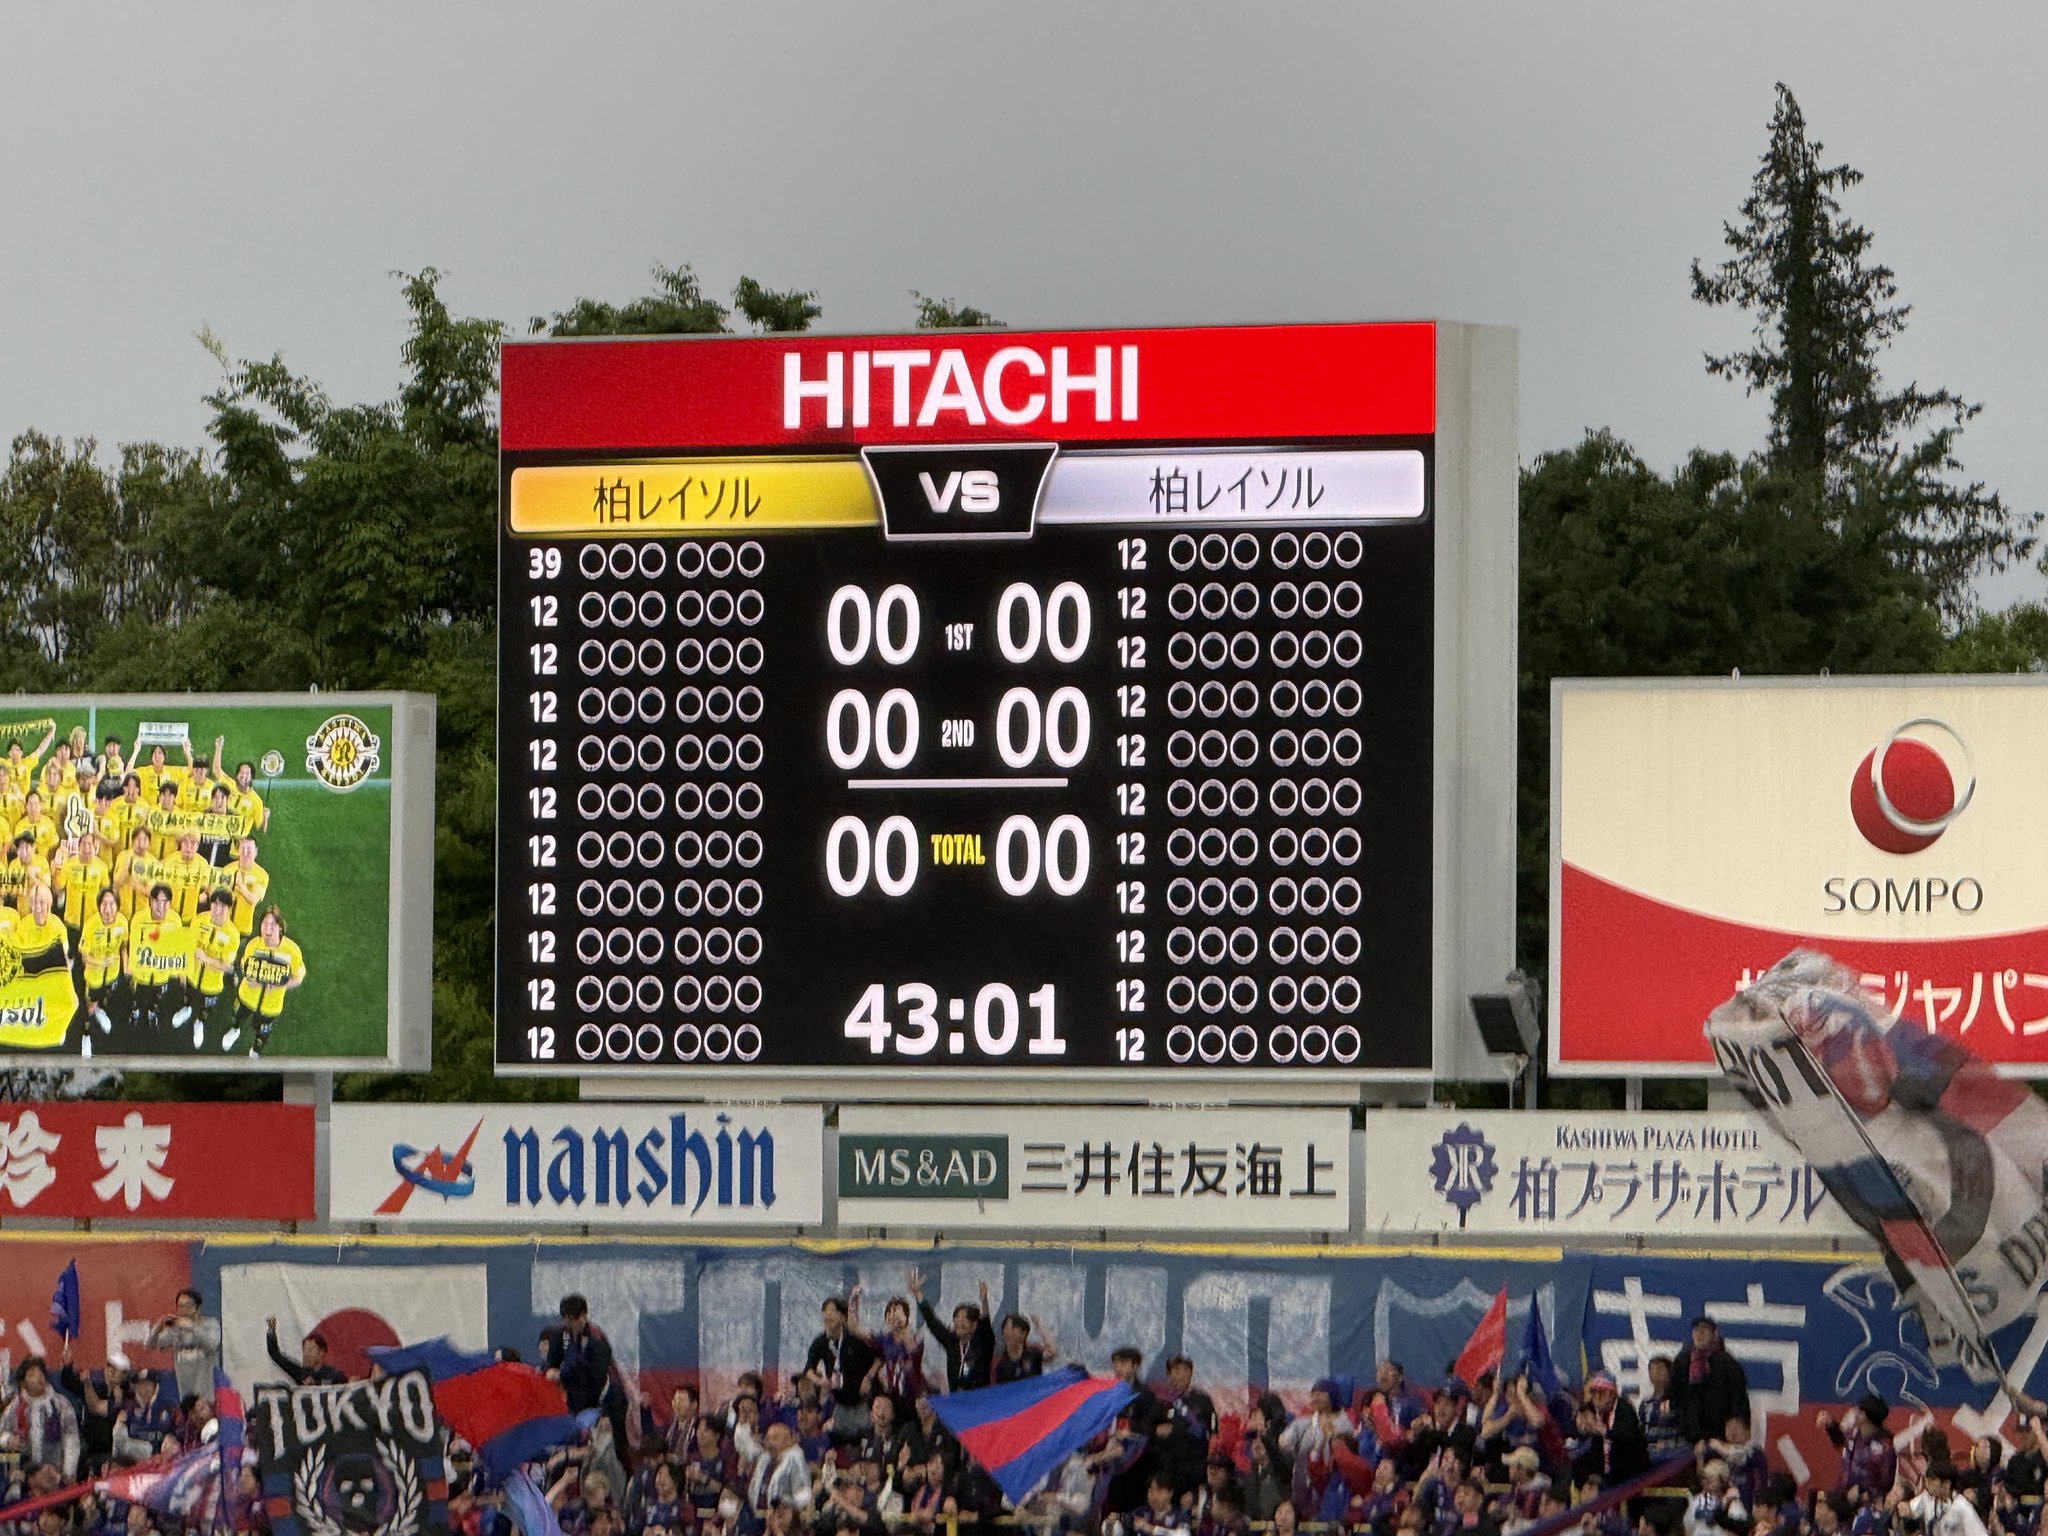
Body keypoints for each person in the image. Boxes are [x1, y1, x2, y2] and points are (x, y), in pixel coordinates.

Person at [544, 1295, 631, 1462]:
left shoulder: (597, 1339)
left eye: (573, 1319)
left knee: (614, 1449)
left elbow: (594, 1375)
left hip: (603, 1400)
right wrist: (550, 1372)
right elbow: (551, 1364)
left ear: (583, 1316)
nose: (570, 1323)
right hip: (574, 1402)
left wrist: (563, 1374)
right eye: (566, 1319)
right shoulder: (560, 1335)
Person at [225, 903, 306, 1055]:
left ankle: (256, 1049)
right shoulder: (253, 945)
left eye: (273, 924)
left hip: (271, 1006)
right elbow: (244, 965)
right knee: (237, 1017)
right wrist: (249, 977)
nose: (268, 928)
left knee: (262, 1032)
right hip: (246, 996)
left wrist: (282, 986)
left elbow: (299, 976)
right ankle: (235, 1030)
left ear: (280, 927)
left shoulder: (292, 951)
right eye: (265, 923)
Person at [905, 1268, 991, 1395]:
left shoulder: (981, 1344)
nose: (959, 1322)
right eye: (956, 1318)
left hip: (979, 1401)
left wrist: (984, 1301)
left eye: (964, 1319)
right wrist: (918, 1295)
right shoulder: (952, 1342)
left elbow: (985, 1326)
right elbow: (933, 1323)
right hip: (955, 1400)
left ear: (974, 1325)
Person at [1671, 1319, 1750, 1449]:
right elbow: (1675, 1389)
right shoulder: (1683, 1360)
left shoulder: (1726, 1361)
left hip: (1720, 1427)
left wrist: (1736, 1418)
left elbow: (1738, 1393)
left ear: (1713, 1335)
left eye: (1704, 1330)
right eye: (1696, 1330)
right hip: (1690, 1429)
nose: (1699, 1334)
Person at [805, 1298, 877, 1439]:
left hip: (861, 1401)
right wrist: (819, 1381)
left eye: (832, 1311)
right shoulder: (821, 1342)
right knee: (838, 1439)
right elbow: (808, 1369)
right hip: (840, 1402)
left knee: (863, 1437)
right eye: (825, 1312)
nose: (828, 1316)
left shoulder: (855, 1340)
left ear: (843, 1317)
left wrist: (868, 1377)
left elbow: (877, 1359)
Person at [0, 1357, 82, 1478]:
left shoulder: (60, 1404)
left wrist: (68, 1471)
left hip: (54, 1473)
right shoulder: (16, 1407)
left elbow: (71, 1438)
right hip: (25, 1473)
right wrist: (8, 1440)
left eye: (41, 1373)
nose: (39, 1377)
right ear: (23, 1382)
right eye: (32, 1374)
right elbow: (1, 1433)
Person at [1817, 1395, 1895, 1507]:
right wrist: (1830, 1424)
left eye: (1858, 1411)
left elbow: (1886, 1482)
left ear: (1864, 1416)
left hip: (1865, 1504)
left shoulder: (1885, 1446)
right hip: (1842, 1495)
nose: (1854, 1412)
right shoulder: (1855, 1434)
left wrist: (1862, 1492)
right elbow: (1842, 1442)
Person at [1155, 1355, 1216, 1497]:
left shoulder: (1202, 1400)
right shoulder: (1162, 1403)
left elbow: (1203, 1432)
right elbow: (1153, 1431)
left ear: (1191, 1373)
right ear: (1168, 1375)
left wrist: (1174, 1431)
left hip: (1194, 1468)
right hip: (1168, 1470)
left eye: (1185, 1370)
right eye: (1176, 1370)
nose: (1181, 1374)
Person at [146, 1288, 221, 1402]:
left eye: (187, 1306)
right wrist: (159, 1326)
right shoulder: (175, 1330)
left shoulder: (210, 1325)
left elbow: (213, 1343)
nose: (183, 1311)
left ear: (197, 1307)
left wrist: (190, 1326)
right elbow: (151, 1344)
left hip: (208, 1396)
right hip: (185, 1397)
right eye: (180, 1306)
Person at [1908, 1462, 1990, 1536]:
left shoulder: (1962, 1506)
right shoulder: (1929, 1499)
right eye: (1927, 1481)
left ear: (1946, 1484)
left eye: (1932, 1481)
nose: (1927, 1484)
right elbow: (1909, 1509)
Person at [265, 1319, 347, 1385]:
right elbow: (275, 1354)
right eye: (305, 1350)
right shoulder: (301, 1373)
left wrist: (316, 1383)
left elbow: (342, 1384)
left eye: (311, 1350)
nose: (307, 1354)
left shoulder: (333, 1374)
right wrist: (271, 1331)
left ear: (322, 1352)